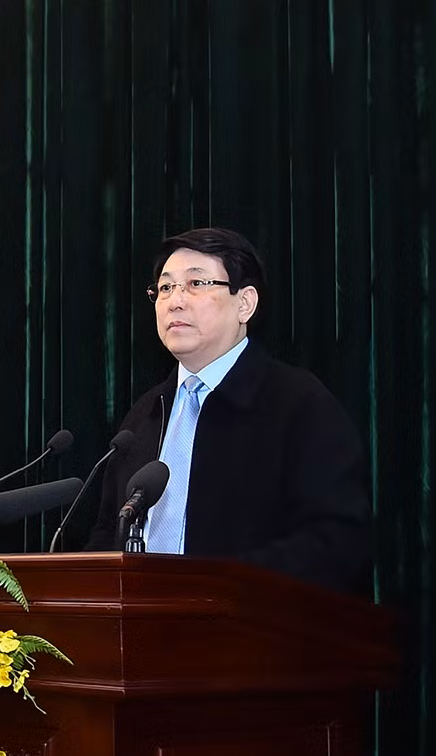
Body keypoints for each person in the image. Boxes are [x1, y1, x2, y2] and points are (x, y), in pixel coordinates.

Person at [86, 227, 371, 594]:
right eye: (165, 287)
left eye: (196, 284)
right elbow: (109, 532)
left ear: (245, 303)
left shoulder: (299, 404)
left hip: (252, 633)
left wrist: (216, 588)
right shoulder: (145, 415)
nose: (175, 300)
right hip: (139, 637)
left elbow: (336, 542)